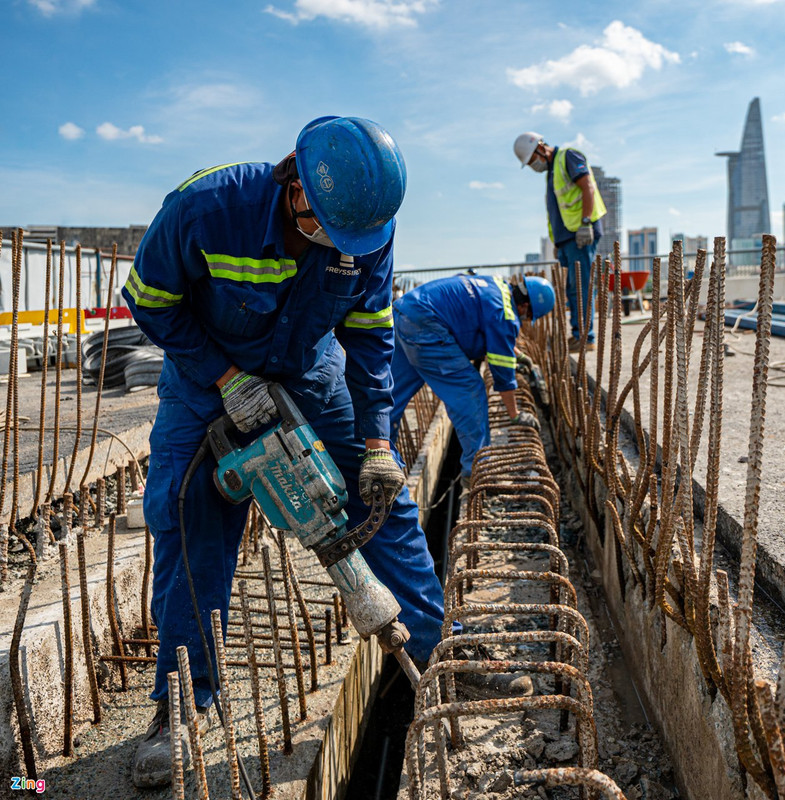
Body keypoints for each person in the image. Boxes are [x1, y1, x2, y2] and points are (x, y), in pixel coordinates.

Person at [121, 116, 453, 789]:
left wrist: (379, 441)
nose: (341, 246)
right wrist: (224, 378)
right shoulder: (208, 209)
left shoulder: (366, 234)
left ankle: (437, 664)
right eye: (329, 228)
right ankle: (182, 707)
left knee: (380, 505)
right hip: (205, 383)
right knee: (191, 523)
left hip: (311, 373)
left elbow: (369, 338)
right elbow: (152, 304)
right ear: (297, 187)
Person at [390, 273, 554, 481]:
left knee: (391, 395)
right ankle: (477, 469)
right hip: (427, 325)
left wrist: (519, 356)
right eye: (529, 316)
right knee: (470, 390)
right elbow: (502, 374)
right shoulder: (506, 313)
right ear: (525, 306)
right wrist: (514, 414)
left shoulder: (497, 287)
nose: (525, 320)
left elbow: (492, 330)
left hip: (405, 311)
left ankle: (375, 454)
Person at [513, 131, 606, 351]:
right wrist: (557, 242)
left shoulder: (568, 156)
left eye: (532, 160)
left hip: (580, 234)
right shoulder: (552, 171)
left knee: (581, 286)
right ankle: (579, 334)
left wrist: (585, 222)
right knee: (573, 288)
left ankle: (586, 338)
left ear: (540, 148)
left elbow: (587, 186)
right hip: (567, 239)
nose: (533, 165)